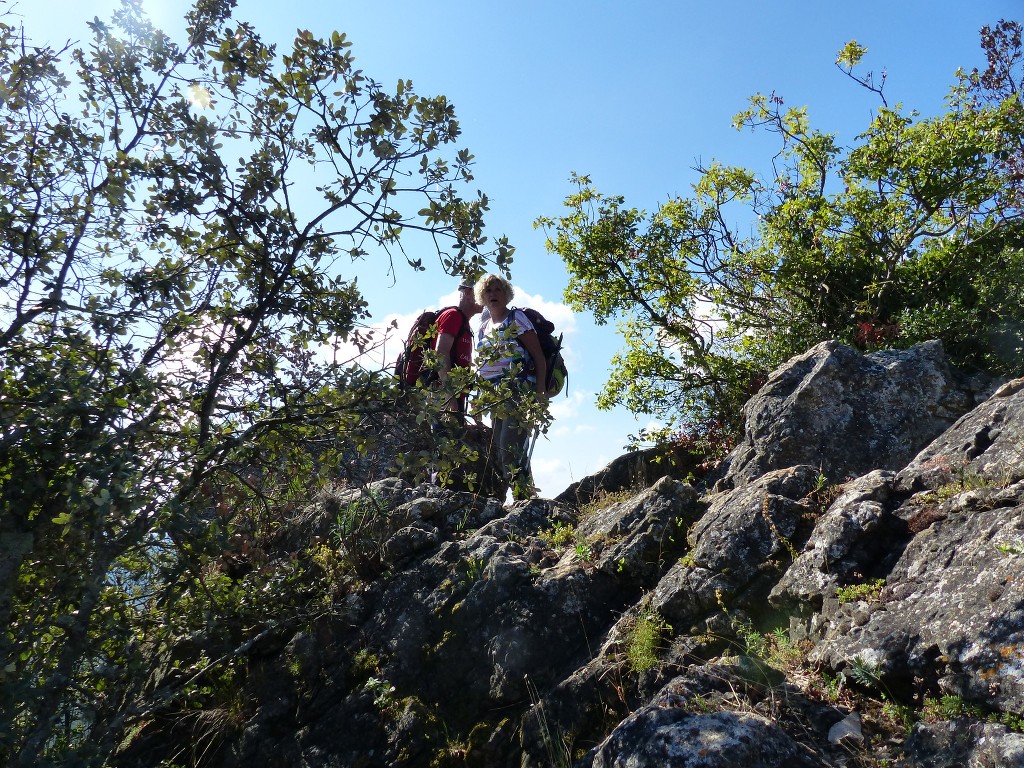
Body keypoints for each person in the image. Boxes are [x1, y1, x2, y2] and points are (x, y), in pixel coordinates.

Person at [473, 273, 547, 500]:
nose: (493, 294)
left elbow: (538, 357)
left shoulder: (516, 319)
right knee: (505, 449)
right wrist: (478, 397)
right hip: (493, 396)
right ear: (482, 296)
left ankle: (523, 499)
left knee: (508, 447)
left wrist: (541, 393)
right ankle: (527, 499)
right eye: (488, 291)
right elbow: (483, 366)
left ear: (506, 294)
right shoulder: (483, 327)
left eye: (498, 290)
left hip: (518, 391)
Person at [432, 280, 482, 413]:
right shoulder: (453, 316)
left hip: (453, 395)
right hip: (442, 395)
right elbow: (440, 353)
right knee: (442, 433)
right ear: (467, 293)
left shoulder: (464, 322)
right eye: (481, 292)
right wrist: (449, 394)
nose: (486, 298)